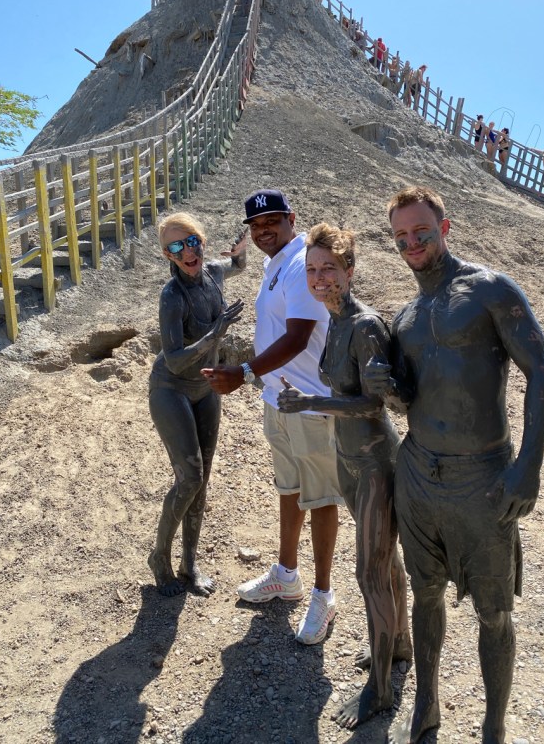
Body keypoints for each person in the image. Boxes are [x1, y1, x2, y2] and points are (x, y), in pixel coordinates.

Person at [366, 186, 544, 744]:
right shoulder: (405, 316)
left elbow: (541, 371)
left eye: (421, 231)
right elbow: (408, 400)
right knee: (425, 592)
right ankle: (426, 704)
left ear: (444, 229)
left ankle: (494, 727)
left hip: (483, 476)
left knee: (494, 611)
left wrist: (529, 465)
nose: (412, 243)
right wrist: (386, 386)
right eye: (401, 236)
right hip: (418, 473)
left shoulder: (490, 289)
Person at [277, 223, 412, 729]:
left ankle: (379, 689)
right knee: (384, 558)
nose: (319, 278)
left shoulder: (364, 324)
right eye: (312, 270)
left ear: (349, 270)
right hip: (348, 457)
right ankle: (399, 644)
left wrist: (310, 402)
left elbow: (374, 404)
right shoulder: (333, 320)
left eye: (329, 268)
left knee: (369, 571)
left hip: (375, 461)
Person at [202, 191, 344, 645]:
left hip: (311, 402)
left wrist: (245, 371)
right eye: (256, 224)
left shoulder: (302, 263)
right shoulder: (276, 263)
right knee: (290, 488)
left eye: (271, 221)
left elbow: (299, 337)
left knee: (320, 498)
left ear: (290, 219)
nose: (263, 230)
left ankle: (323, 594)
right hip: (280, 398)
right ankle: (286, 574)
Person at [147, 213, 247, 597]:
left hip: (205, 388)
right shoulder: (171, 297)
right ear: (167, 256)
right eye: (176, 247)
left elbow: (237, 265)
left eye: (192, 242)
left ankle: (190, 564)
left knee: (201, 481)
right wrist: (215, 333)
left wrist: (240, 252)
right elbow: (174, 360)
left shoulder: (214, 273)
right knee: (188, 478)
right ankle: (160, 556)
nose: (187, 252)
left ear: (202, 242)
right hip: (170, 388)